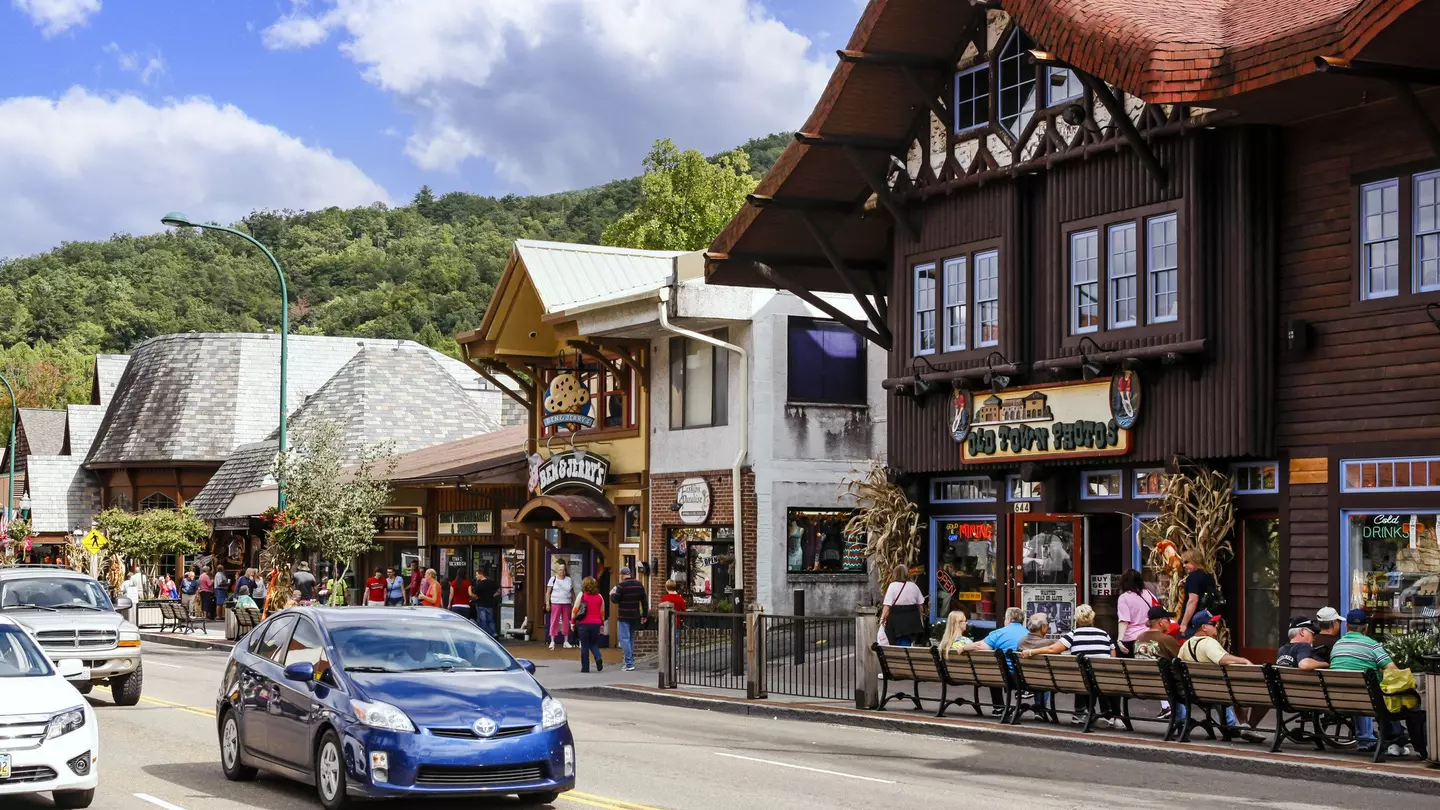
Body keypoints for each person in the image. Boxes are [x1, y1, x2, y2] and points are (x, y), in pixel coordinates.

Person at [1330, 608, 1427, 757]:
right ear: (1367, 627)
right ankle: (1400, 739)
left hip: (1338, 699)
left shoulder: (1337, 646)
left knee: (1367, 694)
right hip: (1369, 700)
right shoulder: (1372, 645)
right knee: (1399, 698)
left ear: (1346, 626)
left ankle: (1374, 739)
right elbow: (1392, 669)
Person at [1021, 604, 1118, 726]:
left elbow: (1052, 649)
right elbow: (1113, 655)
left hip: (1084, 681)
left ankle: (1081, 712)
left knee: (1082, 674)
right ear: (1092, 618)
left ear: (1076, 619)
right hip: (1106, 679)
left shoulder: (1073, 635)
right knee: (1093, 674)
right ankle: (1108, 714)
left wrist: (1031, 651)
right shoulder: (1104, 634)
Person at [1178, 610, 1265, 742]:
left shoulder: (1186, 644)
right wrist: (1244, 660)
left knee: (1234, 688)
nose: (1216, 625)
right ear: (1204, 627)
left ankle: (1244, 727)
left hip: (1194, 692)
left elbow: (1178, 665)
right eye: (1213, 623)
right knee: (1241, 689)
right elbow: (1222, 659)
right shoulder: (1208, 643)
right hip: (1215, 692)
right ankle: (1246, 726)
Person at [964, 607, 1028, 716]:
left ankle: (998, 708)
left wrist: (964, 648)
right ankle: (1040, 710)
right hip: (1029, 678)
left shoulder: (999, 633)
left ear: (1008, 619)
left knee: (994, 671)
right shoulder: (1029, 634)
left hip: (1005, 678)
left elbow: (980, 646)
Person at [1133, 605, 1182, 720]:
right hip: (1163, 685)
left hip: (1138, 684)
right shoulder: (1166, 639)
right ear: (1160, 622)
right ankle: (1182, 722)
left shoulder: (1138, 638)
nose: (1170, 623)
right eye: (1168, 620)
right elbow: (1181, 660)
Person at [609, 567, 648, 672]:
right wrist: (644, 615)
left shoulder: (621, 586)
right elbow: (644, 601)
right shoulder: (639, 585)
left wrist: (612, 593)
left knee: (624, 639)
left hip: (623, 616)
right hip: (634, 615)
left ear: (622, 575)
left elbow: (615, 600)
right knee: (630, 638)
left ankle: (629, 663)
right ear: (630, 574)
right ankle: (630, 661)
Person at [879, 564, 926, 647]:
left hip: (897, 619)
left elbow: (887, 605)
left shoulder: (892, 586)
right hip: (912, 619)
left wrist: (882, 618)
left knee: (896, 643)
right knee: (906, 642)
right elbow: (920, 605)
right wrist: (920, 618)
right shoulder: (913, 586)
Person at [1115, 569, 1159, 656]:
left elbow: (1124, 621)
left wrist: (1119, 640)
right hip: (1148, 636)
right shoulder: (1149, 593)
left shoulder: (1124, 598)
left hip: (1130, 639)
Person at [1178, 551, 1216, 638]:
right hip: (1207, 624)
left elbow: (1193, 600)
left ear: (1195, 561)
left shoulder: (1193, 577)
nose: (1184, 566)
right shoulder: (1209, 576)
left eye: (1187, 562)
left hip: (1192, 625)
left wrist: (1184, 624)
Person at [573, 576, 605, 673]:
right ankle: (598, 657)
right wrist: (602, 624)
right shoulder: (600, 597)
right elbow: (602, 612)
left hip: (584, 624)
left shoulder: (582, 595)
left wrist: (572, 622)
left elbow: (575, 609)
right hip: (596, 624)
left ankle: (585, 668)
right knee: (594, 643)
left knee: (585, 646)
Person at [546, 562, 577, 651]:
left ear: (565, 571)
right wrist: (547, 603)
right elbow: (548, 592)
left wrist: (574, 603)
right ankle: (552, 640)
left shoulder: (568, 579)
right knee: (554, 620)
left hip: (566, 602)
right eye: (560, 570)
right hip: (556, 602)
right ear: (557, 571)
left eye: (563, 570)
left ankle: (566, 641)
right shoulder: (553, 579)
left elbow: (572, 592)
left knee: (566, 621)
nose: (562, 571)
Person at [471, 567, 499, 636]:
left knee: (482, 620)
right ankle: (494, 633)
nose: (476, 576)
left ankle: (485, 634)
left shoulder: (479, 585)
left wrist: (472, 596)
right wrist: (492, 596)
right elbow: (498, 591)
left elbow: (475, 595)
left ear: (481, 575)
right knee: (491, 620)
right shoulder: (491, 582)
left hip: (481, 604)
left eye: (477, 575)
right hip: (490, 604)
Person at [660, 580, 686, 653]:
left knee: (666, 642)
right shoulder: (680, 599)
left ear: (666, 588)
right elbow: (683, 611)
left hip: (665, 624)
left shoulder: (664, 599)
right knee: (675, 642)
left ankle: (667, 660)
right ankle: (674, 660)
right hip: (676, 623)